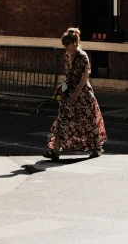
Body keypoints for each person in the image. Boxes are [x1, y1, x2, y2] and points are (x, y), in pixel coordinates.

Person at [46, 27, 107, 160]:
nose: (66, 48)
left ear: (74, 43)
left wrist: (76, 94)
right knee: (62, 118)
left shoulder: (82, 56)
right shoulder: (66, 55)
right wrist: (63, 86)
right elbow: (69, 75)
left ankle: (97, 147)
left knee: (88, 121)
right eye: (64, 45)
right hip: (69, 92)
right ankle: (55, 151)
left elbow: (84, 78)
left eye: (67, 45)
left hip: (83, 93)